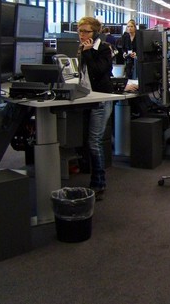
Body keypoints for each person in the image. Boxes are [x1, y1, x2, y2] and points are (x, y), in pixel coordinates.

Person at [77, 16, 114, 200]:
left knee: (94, 141)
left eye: (86, 31)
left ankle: (99, 183)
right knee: (87, 140)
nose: (82, 35)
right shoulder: (82, 48)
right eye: (80, 31)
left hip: (101, 98)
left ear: (95, 33)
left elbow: (98, 71)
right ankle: (94, 178)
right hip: (87, 97)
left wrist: (88, 53)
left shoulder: (104, 48)